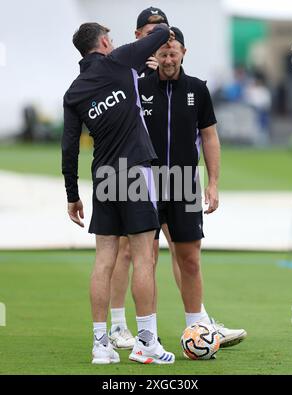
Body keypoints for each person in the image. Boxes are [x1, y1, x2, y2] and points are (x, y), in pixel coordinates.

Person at [109, 23, 247, 350]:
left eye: (173, 53)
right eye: (163, 53)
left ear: (183, 53)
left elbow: (210, 137)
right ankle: (147, 335)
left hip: (185, 183)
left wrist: (213, 183)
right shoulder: (138, 87)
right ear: (154, 55)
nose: (168, 59)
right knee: (147, 260)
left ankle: (195, 330)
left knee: (190, 259)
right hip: (145, 183)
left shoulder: (198, 89)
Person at [62, 21, 176, 364]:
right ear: (105, 42)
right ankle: (146, 344)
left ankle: (101, 345)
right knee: (143, 257)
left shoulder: (75, 90)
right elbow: (161, 35)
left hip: (104, 177)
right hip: (136, 170)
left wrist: (72, 193)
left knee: (104, 261)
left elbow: (69, 147)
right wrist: (158, 28)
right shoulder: (120, 60)